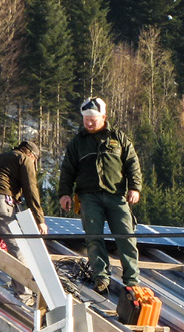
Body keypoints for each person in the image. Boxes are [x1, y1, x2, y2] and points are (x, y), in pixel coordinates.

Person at [58, 97, 142, 293]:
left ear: (103, 117)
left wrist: (135, 188)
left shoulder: (118, 138)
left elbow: (132, 164)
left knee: (126, 236)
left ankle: (131, 279)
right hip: (89, 197)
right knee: (94, 238)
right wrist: (64, 194)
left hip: (116, 196)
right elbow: (67, 171)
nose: (88, 122)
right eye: (86, 118)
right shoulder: (77, 143)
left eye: (92, 118)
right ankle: (101, 277)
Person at [0, 140, 47, 305]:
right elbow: (31, 189)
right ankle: (24, 294)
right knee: (17, 247)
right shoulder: (24, 159)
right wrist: (39, 219)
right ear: (32, 154)